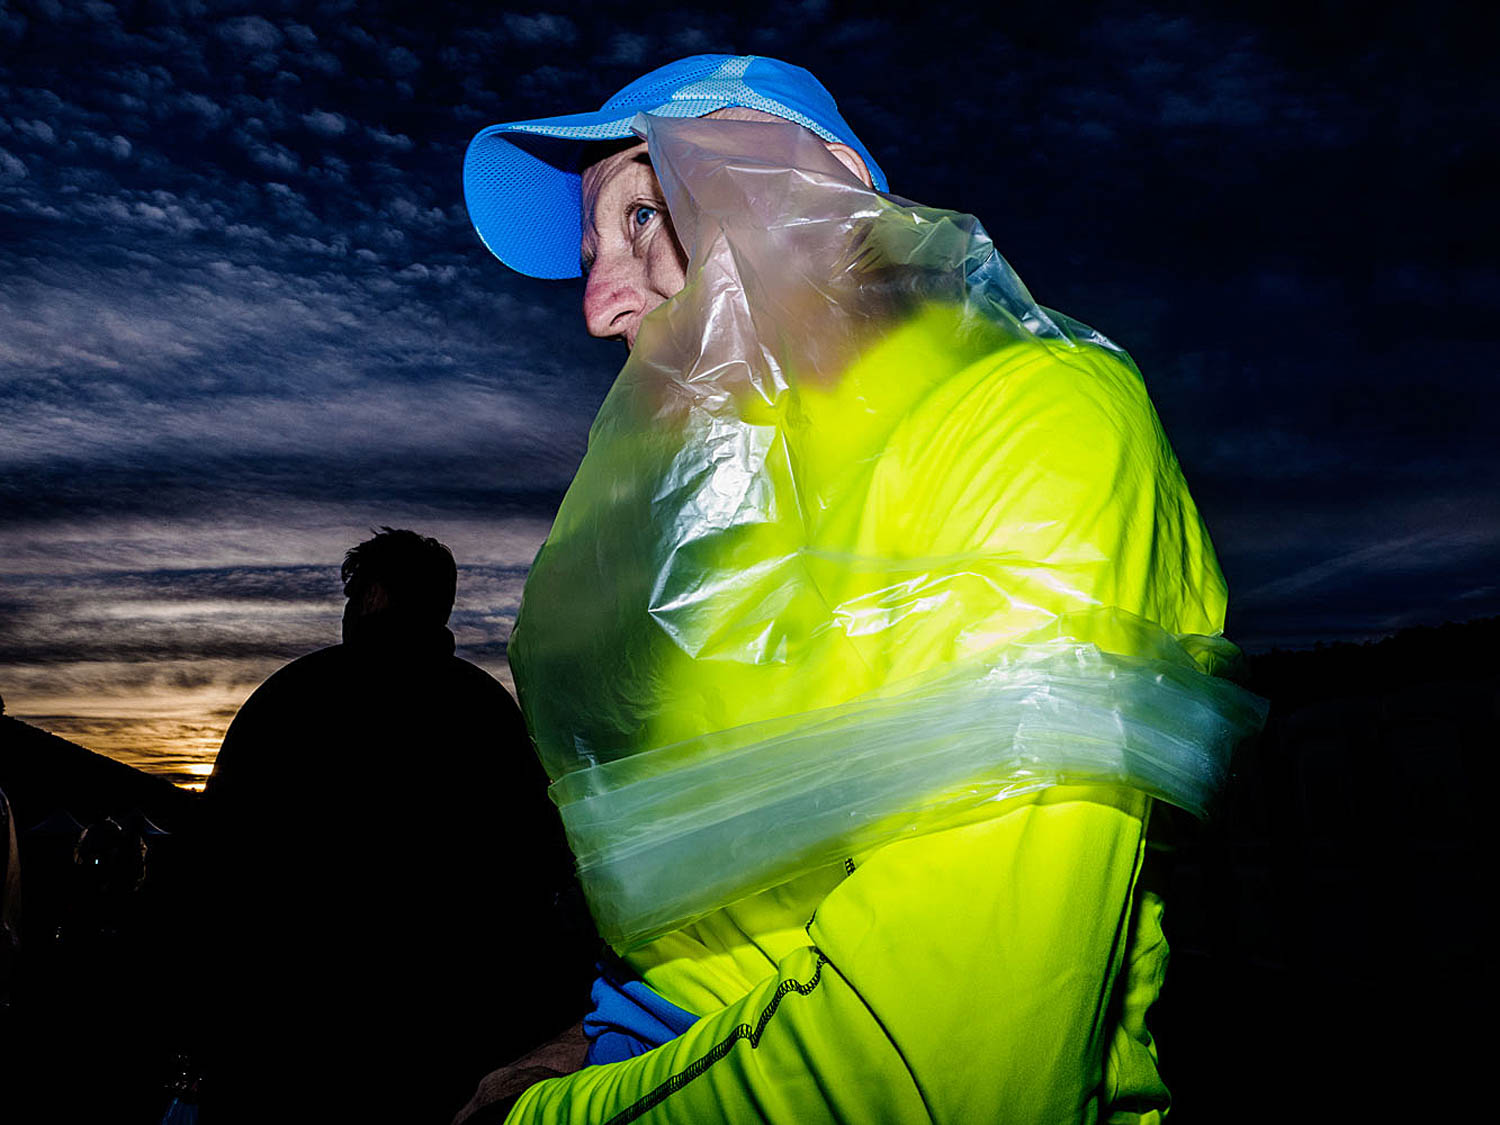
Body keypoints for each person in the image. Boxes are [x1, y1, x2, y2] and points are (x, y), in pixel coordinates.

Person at [459, 56, 1264, 1123]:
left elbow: (952, 1069)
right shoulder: (719, 531)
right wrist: (597, 1039)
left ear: (822, 196)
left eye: (647, 212)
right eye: (591, 253)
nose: (601, 304)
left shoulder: (1031, 425)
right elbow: (727, 929)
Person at [201, 528, 595, 1124]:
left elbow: (213, 869)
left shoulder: (289, 702)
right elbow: (539, 872)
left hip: (295, 1044)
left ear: (375, 597)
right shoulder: (488, 714)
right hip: (451, 1043)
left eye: (354, 596)